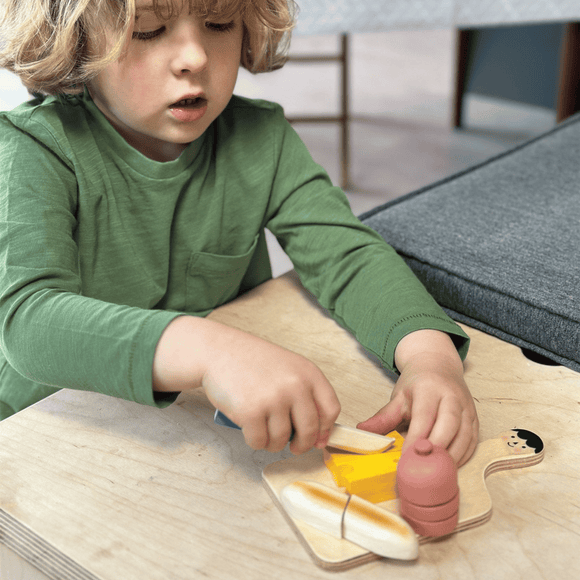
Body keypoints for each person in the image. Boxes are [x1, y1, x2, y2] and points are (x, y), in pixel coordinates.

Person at [0, 0, 478, 465]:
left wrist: (429, 359)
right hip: (50, 435)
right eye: (146, 29)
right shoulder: (31, 149)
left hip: (195, 439)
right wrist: (207, 351)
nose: (195, 57)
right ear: (75, 41)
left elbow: (348, 255)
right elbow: (27, 321)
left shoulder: (261, 137)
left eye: (220, 22)